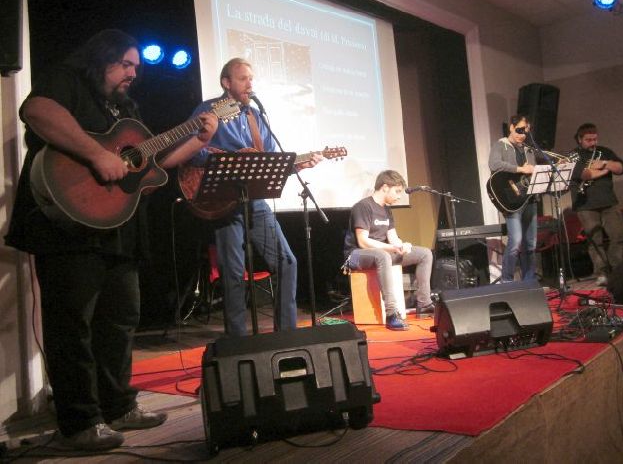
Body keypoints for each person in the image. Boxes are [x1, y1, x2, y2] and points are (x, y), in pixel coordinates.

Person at [4, 29, 218, 450]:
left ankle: (118, 406)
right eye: (126, 64)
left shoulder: (125, 109)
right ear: (102, 58)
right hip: (68, 228)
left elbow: (151, 165)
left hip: (118, 229)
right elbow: (38, 110)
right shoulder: (69, 81)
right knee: (72, 325)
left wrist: (199, 137)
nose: (133, 73)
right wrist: (97, 154)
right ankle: (79, 422)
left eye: (137, 68)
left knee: (120, 321)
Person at [187, 57, 322, 337]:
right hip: (223, 200)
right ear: (227, 83)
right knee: (233, 273)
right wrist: (224, 160)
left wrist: (298, 163)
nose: (250, 83)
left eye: (252, 78)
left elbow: (270, 161)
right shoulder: (209, 111)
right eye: (243, 78)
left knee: (287, 261)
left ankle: (286, 334)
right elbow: (188, 149)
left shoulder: (256, 116)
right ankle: (237, 340)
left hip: (255, 200)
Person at [343, 170, 434, 331]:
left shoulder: (387, 210)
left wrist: (402, 245)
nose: (399, 196)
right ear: (385, 187)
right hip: (356, 255)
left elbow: (393, 238)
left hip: (381, 253)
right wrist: (391, 248)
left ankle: (424, 304)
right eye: (397, 191)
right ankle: (392, 313)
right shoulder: (363, 207)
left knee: (424, 254)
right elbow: (363, 242)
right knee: (383, 256)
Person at [569, 123, 623, 284]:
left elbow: (621, 167)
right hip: (585, 204)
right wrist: (603, 170)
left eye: (595, 139)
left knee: (618, 235)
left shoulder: (605, 152)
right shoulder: (573, 156)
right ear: (580, 139)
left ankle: (616, 269)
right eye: (588, 140)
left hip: (609, 202)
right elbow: (585, 174)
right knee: (595, 240)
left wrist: (605, 164)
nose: (593, 142)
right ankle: (601, 272)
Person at [488, 115, 538, 283]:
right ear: (511, 127)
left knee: (530, 244)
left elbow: (530, 173)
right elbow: (494, 164)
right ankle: (507, 281)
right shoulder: (501, 145)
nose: (522, 134)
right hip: (511, 200)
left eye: (525, 131)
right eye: (519, 130)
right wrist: (519, 169)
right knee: (515, 241)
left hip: (529, 199)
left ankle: (529, 281)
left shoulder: (528, 149)